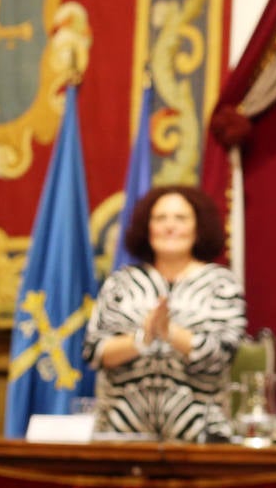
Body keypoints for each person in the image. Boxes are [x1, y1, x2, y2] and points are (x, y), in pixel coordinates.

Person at [83, 185, 246, 442]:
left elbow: (223, 354)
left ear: (198, 227)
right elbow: (94, 352)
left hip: (201, 436)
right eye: (160, 218)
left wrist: (169, 333)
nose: (170, 226)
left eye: (180, 218)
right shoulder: (122, 283)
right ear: (147, 228)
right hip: (120, 434)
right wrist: (143, 338)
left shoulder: (221, 284)